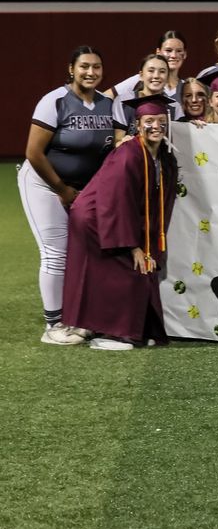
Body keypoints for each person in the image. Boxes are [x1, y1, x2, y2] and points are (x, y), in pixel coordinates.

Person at [61, 94, 179, 350]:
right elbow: (115, 202)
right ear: (137, 124)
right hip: (95, 219)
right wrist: (132, 246)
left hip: (116, 220)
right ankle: (120, 334)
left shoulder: (166, 158)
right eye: (149, 120)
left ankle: (138, 330)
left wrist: (150, 245)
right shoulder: (127, 155)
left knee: (144, 267)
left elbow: (157, 204)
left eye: (161, 120)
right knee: (127, 270)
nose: (156, 126)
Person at [19, 46, 114, 344]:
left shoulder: (108, 104)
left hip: (80, 190)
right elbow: (33, 152)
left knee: (86, 253)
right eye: (84, 66)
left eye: (97, 67)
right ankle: (54, 325)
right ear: (71, 68)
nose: (91, 72)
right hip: (44, 185)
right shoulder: (55, 100)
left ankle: (81, 317)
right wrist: (61, 190)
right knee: (55, 254)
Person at [106, 30, 188, 118]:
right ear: (158, 52)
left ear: (185, 54)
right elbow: (106, 97)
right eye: (168, 50)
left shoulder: (187, 87)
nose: (174, 55)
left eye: (179, 51)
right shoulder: (140, 79)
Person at [112, 53, 170, 143]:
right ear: (141, 75)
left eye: (162, 71)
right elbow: (117, 141)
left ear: (167, 77)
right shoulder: (123, 101)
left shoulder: (174, 105)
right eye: (151, 71)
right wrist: (125, 144)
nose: (156, 76)